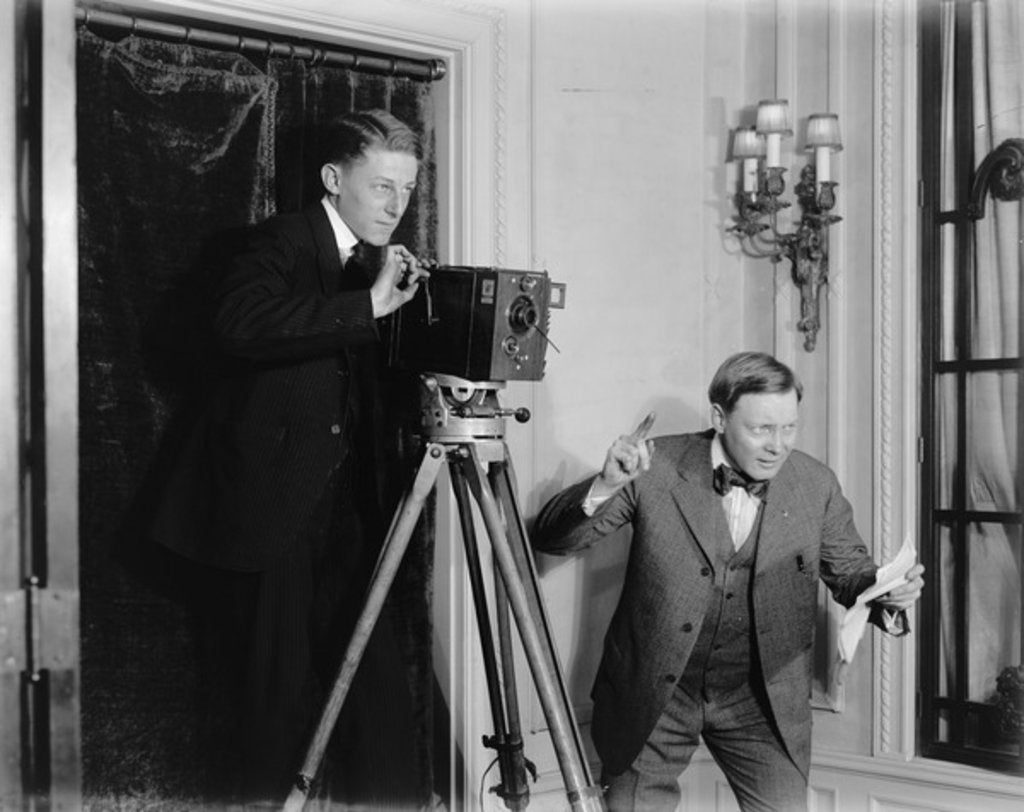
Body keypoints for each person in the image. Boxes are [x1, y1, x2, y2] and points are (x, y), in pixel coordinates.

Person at [152, 109, 432, 807]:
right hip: (270, 509)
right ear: (334, 180)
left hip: (342, 510)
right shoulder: (277, 241)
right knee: (271, 698)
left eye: (406, 191)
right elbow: (239, 325)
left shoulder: (373, 261)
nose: (396, 207)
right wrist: (368, 303)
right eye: (380, 188)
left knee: (374, 684)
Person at [532, 351, 925, 812]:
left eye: (789, 428)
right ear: (719, 417)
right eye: (761, 429)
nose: (778, 445)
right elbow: (551, 538)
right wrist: (606, 484)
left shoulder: (814, 484)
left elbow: (851, 575)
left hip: (760, 698)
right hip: (655, 694)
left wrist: (888, 594)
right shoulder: (654, 467)